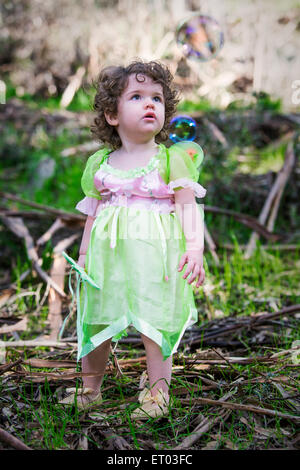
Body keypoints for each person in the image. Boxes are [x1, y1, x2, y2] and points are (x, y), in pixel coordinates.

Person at [59, 60, 206, 419]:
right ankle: (90, 387)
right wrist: (84, 255)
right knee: (97, 318)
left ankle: (158, 392)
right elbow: (93, 214)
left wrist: (194, 248)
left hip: (155, 256)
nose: (150, 103)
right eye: (137, 96)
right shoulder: (101, 164)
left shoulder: (170, 160)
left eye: (157, 97)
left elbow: (188, 207)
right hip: (107, 258)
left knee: (155, 320)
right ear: (112, 114)